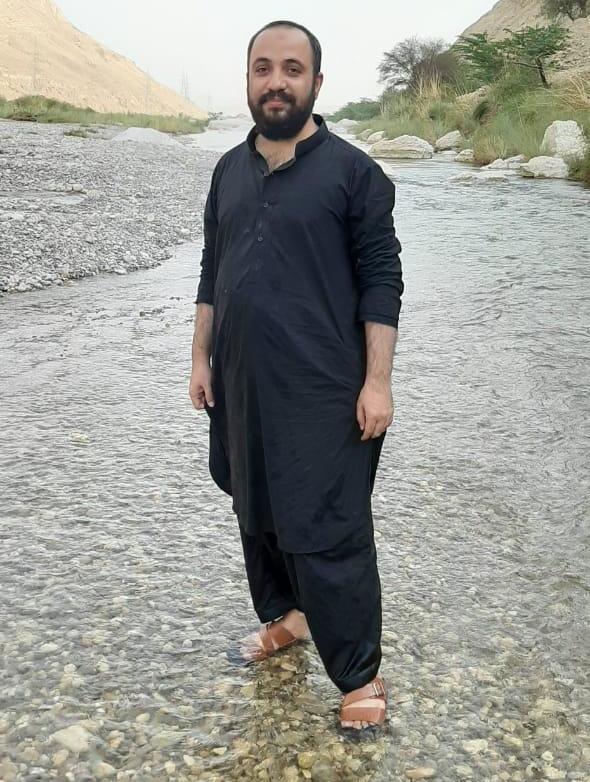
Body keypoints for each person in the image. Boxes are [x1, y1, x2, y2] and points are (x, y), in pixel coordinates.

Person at [189, 19, 403, 733]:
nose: (275, 82)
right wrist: (200, 358)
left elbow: (381, 282)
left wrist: (378, 382)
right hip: (241, 381)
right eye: (263, 68)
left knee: (329, 526)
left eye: (291, 69)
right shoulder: (227, 169)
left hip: (323, 389)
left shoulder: (355, 174)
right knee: (254, 506)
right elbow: (212, 270)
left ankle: (360, 673)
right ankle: (288, 616)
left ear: (316, 82)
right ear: (248, 78)